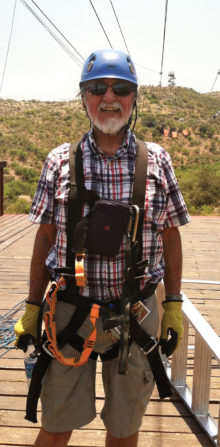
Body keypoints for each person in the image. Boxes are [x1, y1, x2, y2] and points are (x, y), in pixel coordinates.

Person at [14, 48, 190, 447]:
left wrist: (174, 304)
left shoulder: (158, 161)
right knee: (56, 424)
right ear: (83, 97)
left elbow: (171, 235)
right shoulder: (59, 161)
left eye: (121, 88)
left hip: (136, 311)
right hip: (70, 311)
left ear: (134, 98)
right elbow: (45, 237)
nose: (109, 97)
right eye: (97, 87)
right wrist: (31, 304)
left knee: (124, 429)